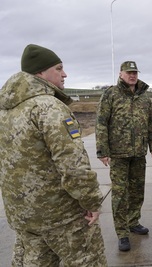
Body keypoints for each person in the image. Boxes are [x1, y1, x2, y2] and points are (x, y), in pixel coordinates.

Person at [0, 44, 107, 266]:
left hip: (24, 216)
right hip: (62, 217)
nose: (64, 74)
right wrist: (91, 201)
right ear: (40, 72)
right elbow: (73, 166)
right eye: (58, 68)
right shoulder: (49, 108)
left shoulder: (6, 111)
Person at [96, 61, 152, 252]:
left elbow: (151, 123)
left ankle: (133, 222)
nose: (132, 76)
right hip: (119, 154)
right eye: (128, 72)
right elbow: (101, 123)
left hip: (139, 153)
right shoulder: (111, 94)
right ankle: (122, 232)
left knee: (137, 191)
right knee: (120, 194)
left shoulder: (144, 98)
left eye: (135, 72)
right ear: (121, 73)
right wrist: (102, 150)